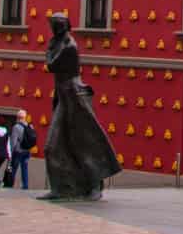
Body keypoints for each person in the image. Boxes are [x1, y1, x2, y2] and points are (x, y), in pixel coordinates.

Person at [41, 13, 122, 200]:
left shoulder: (69, 46)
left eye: (57, 25)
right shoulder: (58, 42)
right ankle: (59, 187)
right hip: (63, 95)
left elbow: (51, 65)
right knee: (53, 146)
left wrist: (50, 49)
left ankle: (94, 185)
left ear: (64, 26)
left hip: (74, 95)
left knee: (84, 141)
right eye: (53, 24)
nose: (54, 28)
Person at [8, 110, 36, 189]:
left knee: (13, 168)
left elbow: (13, 141)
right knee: (25, 168)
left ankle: (10, 184)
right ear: (25, 117)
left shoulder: (16, 127)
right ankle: (25, 185)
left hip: (18, 151)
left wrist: (11, 151)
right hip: (27, 151)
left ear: (17, 117)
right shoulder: (30, 126)